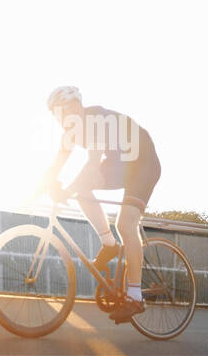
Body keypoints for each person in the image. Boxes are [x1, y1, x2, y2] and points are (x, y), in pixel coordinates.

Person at [37, 86, 161, 323]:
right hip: (121, 163)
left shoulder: (96, 121)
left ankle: (135, 297)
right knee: (83, 188)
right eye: (55, 115)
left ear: (75, 107)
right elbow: (54, 168)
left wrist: (66, 190)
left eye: (62, 112)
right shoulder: (70, 133)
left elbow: (93, 164)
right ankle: (109, 244)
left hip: (143, 163)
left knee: (126, 224)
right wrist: (33, 194)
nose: (59, 119)